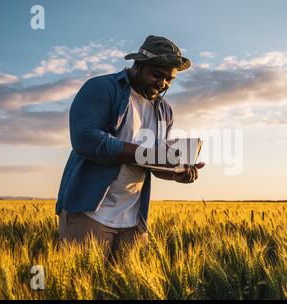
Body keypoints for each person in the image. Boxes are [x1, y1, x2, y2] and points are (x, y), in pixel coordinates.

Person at [56, 35, 204, 262]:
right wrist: (151, 154)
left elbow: (153, 164)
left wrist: (176, 172)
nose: (162, 84)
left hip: (134, 219)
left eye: (169, 79)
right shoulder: (101, 88)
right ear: (137, 66)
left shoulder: (165, 111)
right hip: (90, 212)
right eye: (157, 75)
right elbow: (86, 140)